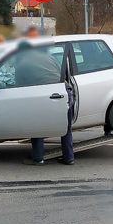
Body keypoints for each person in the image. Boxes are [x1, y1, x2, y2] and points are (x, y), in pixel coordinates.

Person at [18, 29, 75, 165]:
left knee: (37, 127)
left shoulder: (24, 62)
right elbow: (63, 75)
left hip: (43, 95)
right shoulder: (49, 58)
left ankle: (38, 158)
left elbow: (19, 84)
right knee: (65, 128)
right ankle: (69, 158)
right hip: (63, 93)